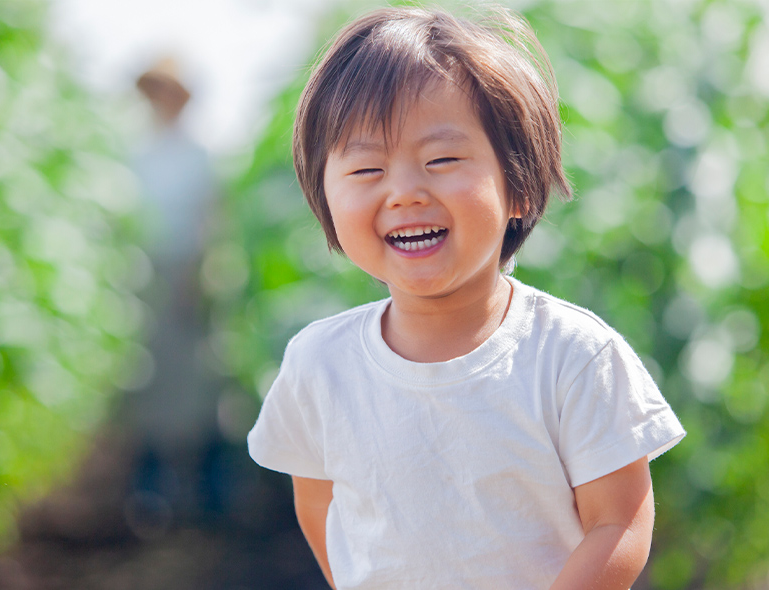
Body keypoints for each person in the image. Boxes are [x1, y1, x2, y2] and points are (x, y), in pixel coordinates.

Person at [247, 6, 685, 589]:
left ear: (519, 187)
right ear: (324, 199)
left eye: (442, 160)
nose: (404, 192)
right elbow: (320, 505)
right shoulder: (319, 364)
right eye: (367, 169)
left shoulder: (573, 357)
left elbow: (620, 523)